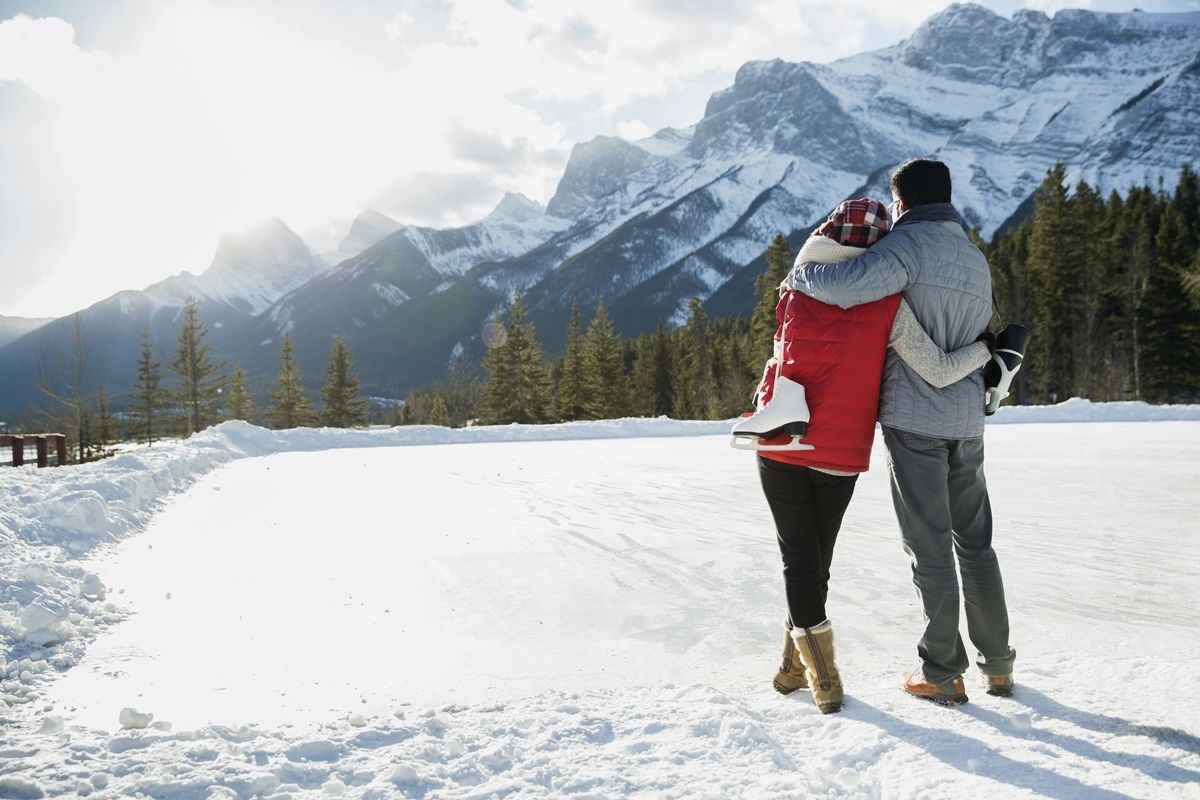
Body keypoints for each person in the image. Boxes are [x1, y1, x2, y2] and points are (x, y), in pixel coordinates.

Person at [744, 197, 992, 714]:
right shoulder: (889, 305)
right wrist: (984, 352)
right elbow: (939, 369)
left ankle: (824, 677)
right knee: (817, 561)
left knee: (800, 559)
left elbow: (777, 362)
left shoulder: (796, 288)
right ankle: (794, 667)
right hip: (842, 453)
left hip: (784, 442)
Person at [787, 159, 1017, 705]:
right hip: (967, 421)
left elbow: (845, 287)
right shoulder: (974, 257)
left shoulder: (906, 246)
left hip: (915, 419)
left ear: (901, 202)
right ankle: (1000, 665)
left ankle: (941, 671)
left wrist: (800, 273)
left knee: (930, 546)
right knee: (976, 544)